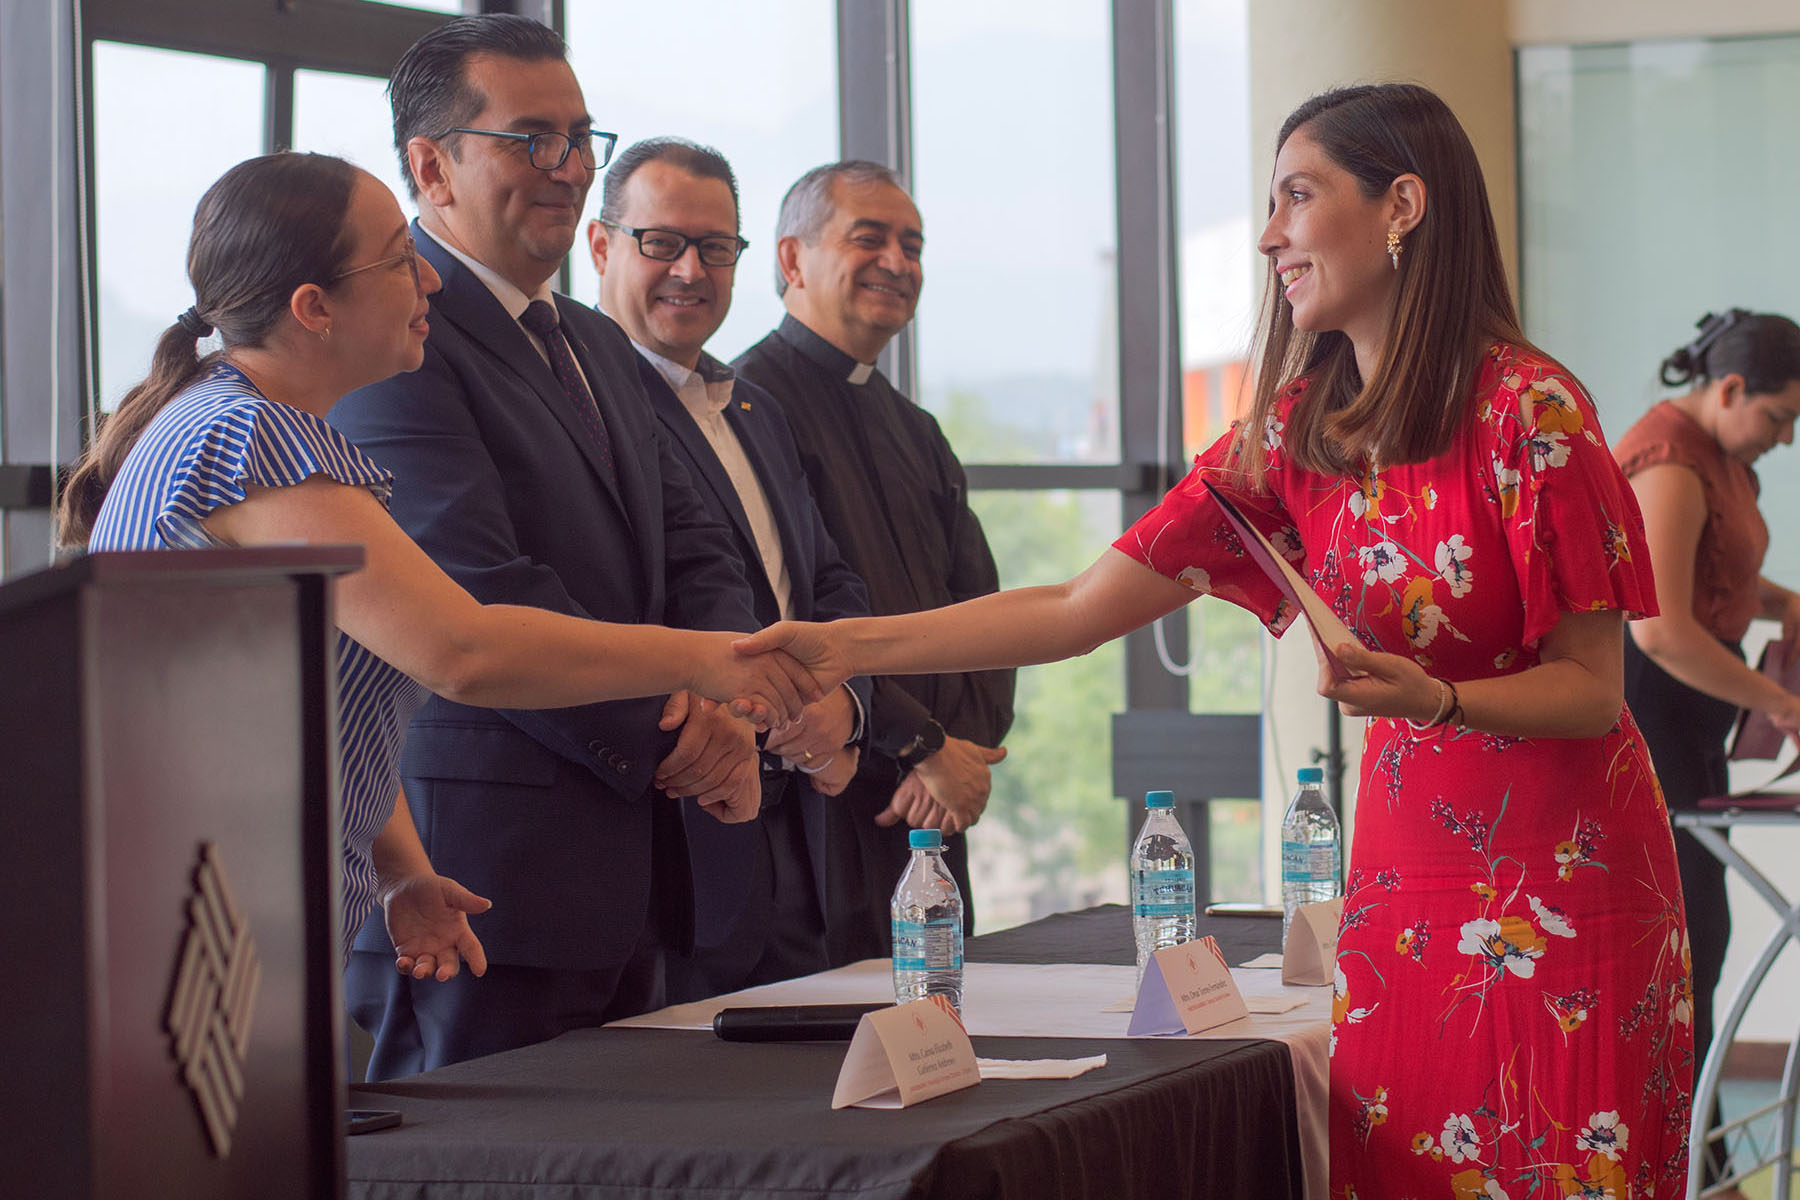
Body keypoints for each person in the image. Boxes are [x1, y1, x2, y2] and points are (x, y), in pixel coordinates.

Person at [739, 84, 1692, 1195]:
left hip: (1566, 883)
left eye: (1298, 195)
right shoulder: (1294, 430)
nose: (1270, 233)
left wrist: (1438, 701)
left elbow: (1589, 688)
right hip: (1406, 884)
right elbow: (1071, 609)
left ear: (1404, 205)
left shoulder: (1533, 412)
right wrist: (851, 647)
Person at [58, 152, 817, 987]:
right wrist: (711, 658)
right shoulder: (253, 441)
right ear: (313, 309)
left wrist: (400, 871)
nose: (429, 277)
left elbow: (313, 706)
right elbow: (463, 651)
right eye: (394, 260)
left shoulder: (234, 425)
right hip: (196, 935)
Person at [327, 15, 774, 1078]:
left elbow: (701, 548)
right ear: (429, 165)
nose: (568, 169)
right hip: (481, 893)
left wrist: (733, 702)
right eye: (531, 139)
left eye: (580, 138)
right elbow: (479, 589)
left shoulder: (595, 343)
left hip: (645, 875)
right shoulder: (394, 342)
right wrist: (680, 731)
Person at [588, 136, 875, 999]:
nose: (691, 269)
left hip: (802, 824)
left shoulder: (752, 404)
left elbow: (829, 582)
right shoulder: (591, 411)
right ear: (602, 247)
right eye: (661, 243)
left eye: (716, 248)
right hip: (680, 830)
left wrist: (844, 704)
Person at [733, 160, 1013, 964]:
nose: (898, 261)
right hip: (819, 790)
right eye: (870, 239)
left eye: (912, 244)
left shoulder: (915, 428)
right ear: (792, 260)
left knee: (944, 1030)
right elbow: (783, 612)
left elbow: (980, 607)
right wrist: (915, 742)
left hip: (935, 802)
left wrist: (959, 749)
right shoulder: (747, 404)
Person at [1616, 307, 1800, 1189]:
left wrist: (1783, 606)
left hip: (1691, 720)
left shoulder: (1716, 453)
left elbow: (1717, 575)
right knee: (1684, 949)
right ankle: (1680, 1162)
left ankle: (1702, 1155)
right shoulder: (1669, 458)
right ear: (1729, 390)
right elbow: (1661, 630)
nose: (1785, 439)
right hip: (1651, 709)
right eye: (1779, 418)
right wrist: (1782, 703)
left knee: (1704, 945)